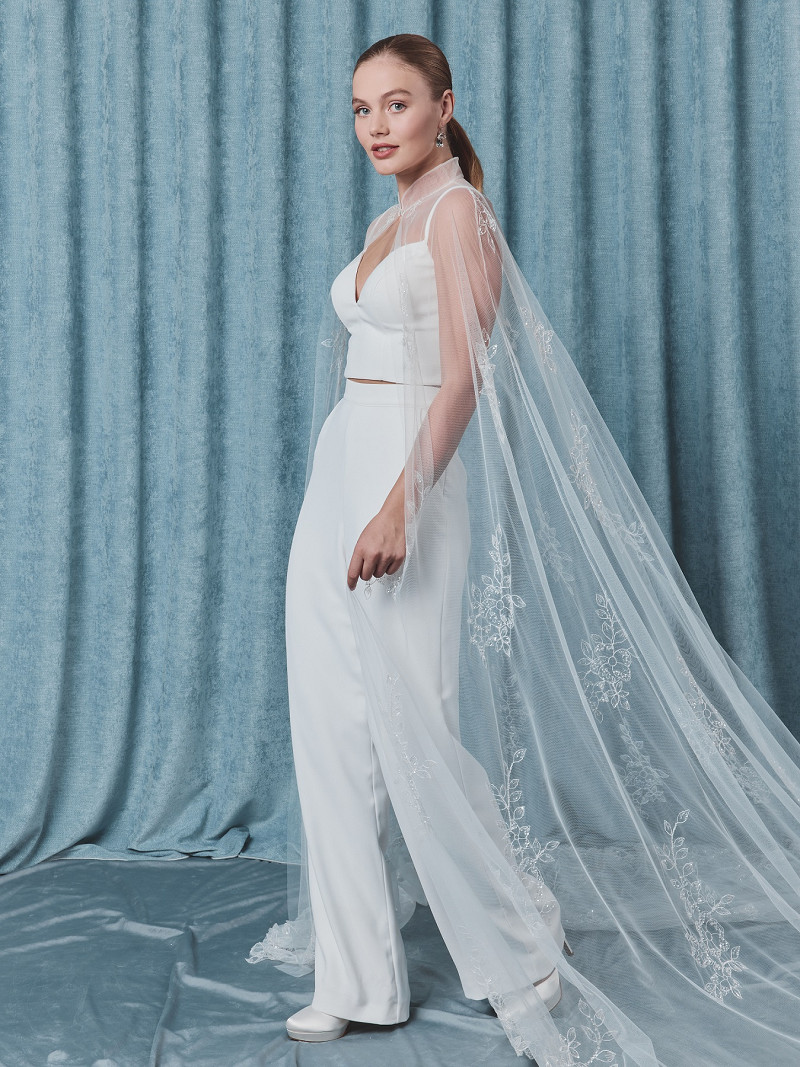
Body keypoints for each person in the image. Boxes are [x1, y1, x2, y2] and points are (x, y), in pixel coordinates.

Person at [248, 33, 800, 1066]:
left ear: (444, 106)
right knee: (329, 725)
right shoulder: (385, 220)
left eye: (397, 103)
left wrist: (401, 505)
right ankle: (356, 979)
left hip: (409, 481)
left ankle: (519, 937)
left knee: (415, 729)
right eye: (361, 108)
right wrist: (346, 498)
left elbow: (464, 379)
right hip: (338, 474)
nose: (375, 125)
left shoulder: (457, 212)